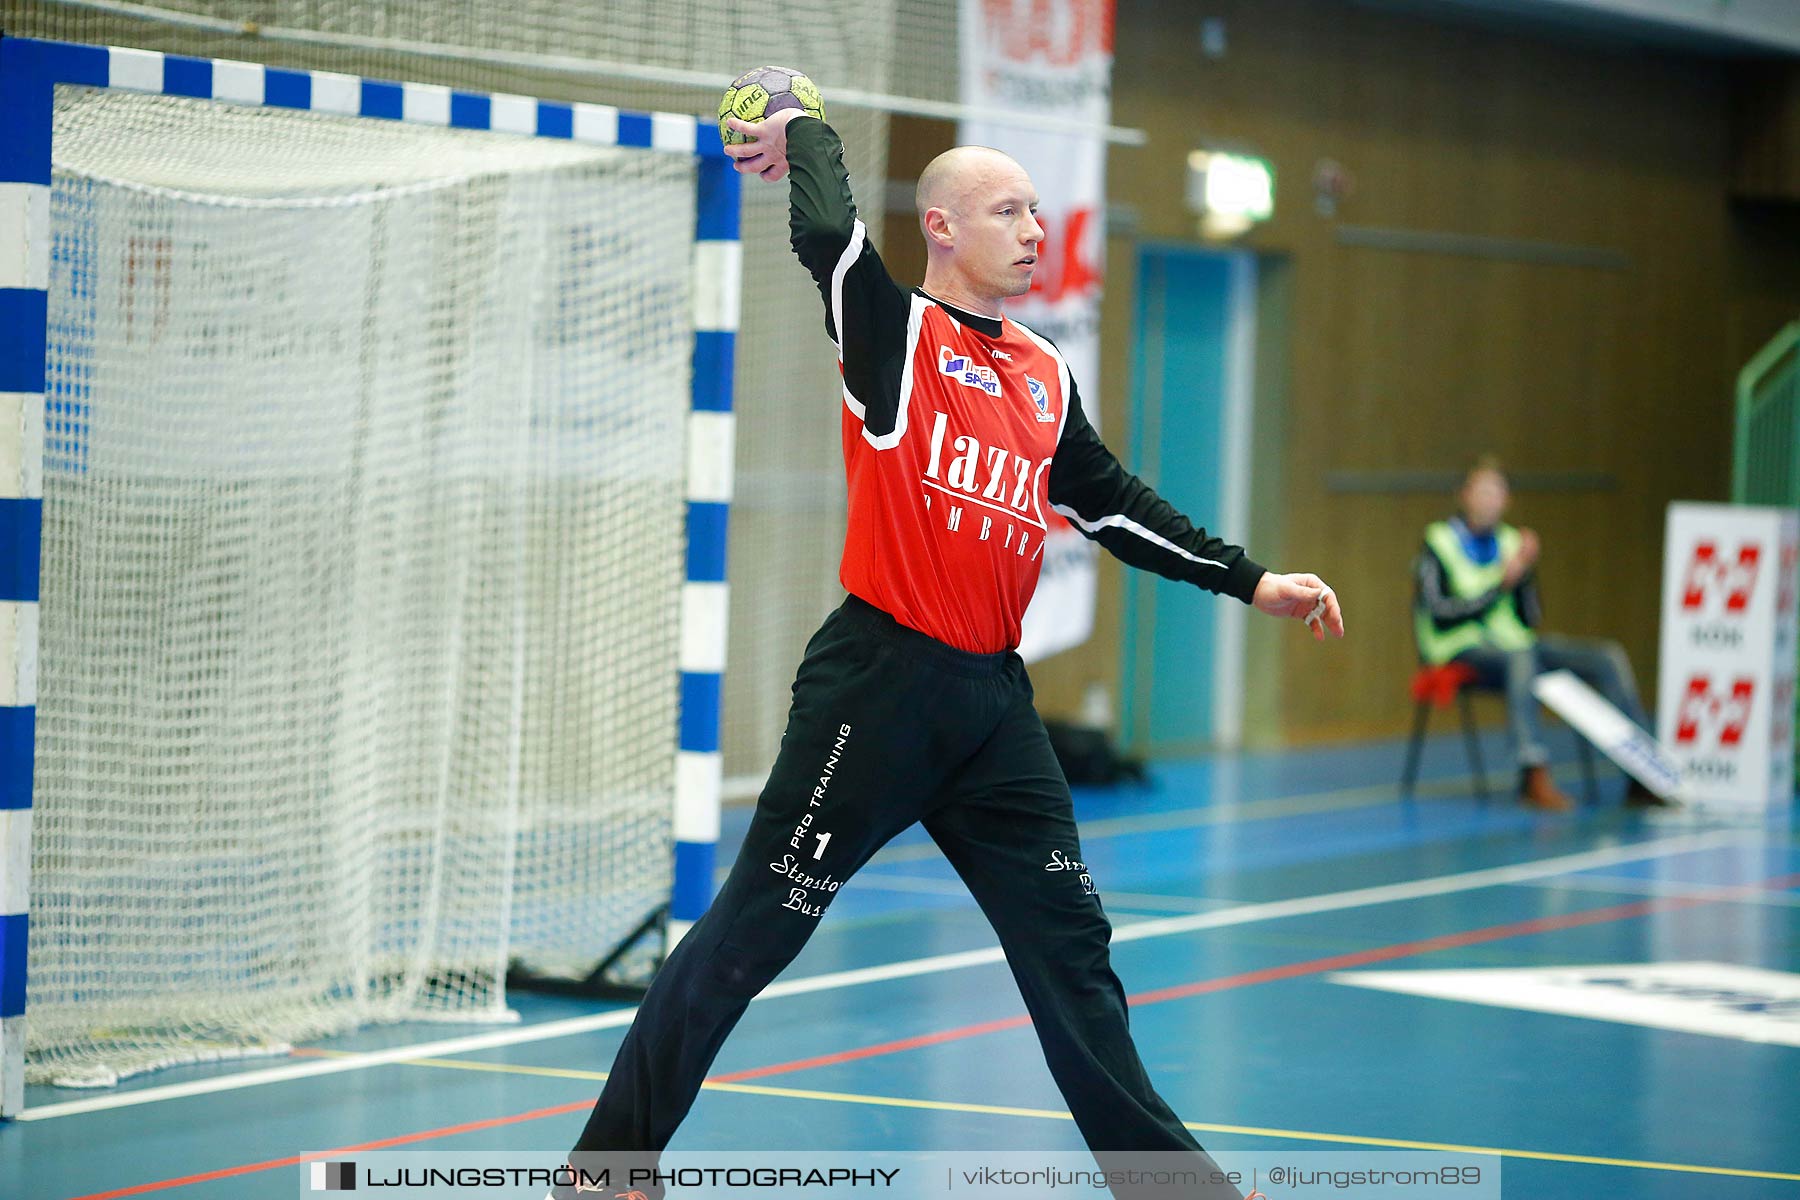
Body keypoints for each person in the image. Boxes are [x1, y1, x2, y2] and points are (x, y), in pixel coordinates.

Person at [551, 105, 1345, 1200]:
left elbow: (1113, 508)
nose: (1033, 228)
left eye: (1035, 208)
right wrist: (805, 127)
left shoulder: (1042, 373)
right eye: (1007, 210)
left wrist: (1252, 581)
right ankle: (605, 1169)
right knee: (751, 933)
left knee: (1073, 953)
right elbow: (826, 237)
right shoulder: (892, 336)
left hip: (990, 710)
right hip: (877, 689)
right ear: (941, 228)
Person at [1413, 456, 1666, 811]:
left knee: (1606, 656)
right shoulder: (1439, 541)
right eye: (1481, 490)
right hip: (1460, 648)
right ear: (1464, 495)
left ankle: (1643, 770)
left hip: (1517, 645)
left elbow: (1530, 618)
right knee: (1522, 660)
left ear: (1507, 500)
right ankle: (1531, 771)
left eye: (1497, 491)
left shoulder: (1512, 543)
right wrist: (1501, 584)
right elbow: (1439, 614)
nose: (1489, 499)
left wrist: (1525, 573)